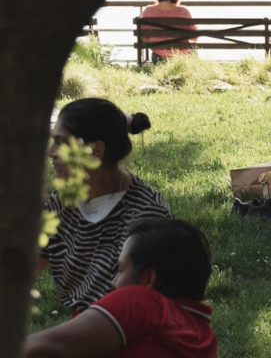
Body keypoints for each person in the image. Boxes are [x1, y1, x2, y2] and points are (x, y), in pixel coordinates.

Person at [39, 99, 172, 314]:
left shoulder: (146, 215)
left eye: (60, 143)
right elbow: (20, 268)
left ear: (95, 150)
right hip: (86, 327)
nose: (50, 152)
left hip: (129, 330)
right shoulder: (63, 201)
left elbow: (138, 310)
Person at [25, 219, 217, 357]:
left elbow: (43, 348)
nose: (113, 282)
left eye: (121, 269)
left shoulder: (143, 301)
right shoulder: (204, 338)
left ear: (148, 279)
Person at [139, 0, 198, 64]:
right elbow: (194, 38)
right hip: (182, 56)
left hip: (159, 57)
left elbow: (144, 38)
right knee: (194, 52)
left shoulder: (148, 11)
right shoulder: (184, 11)